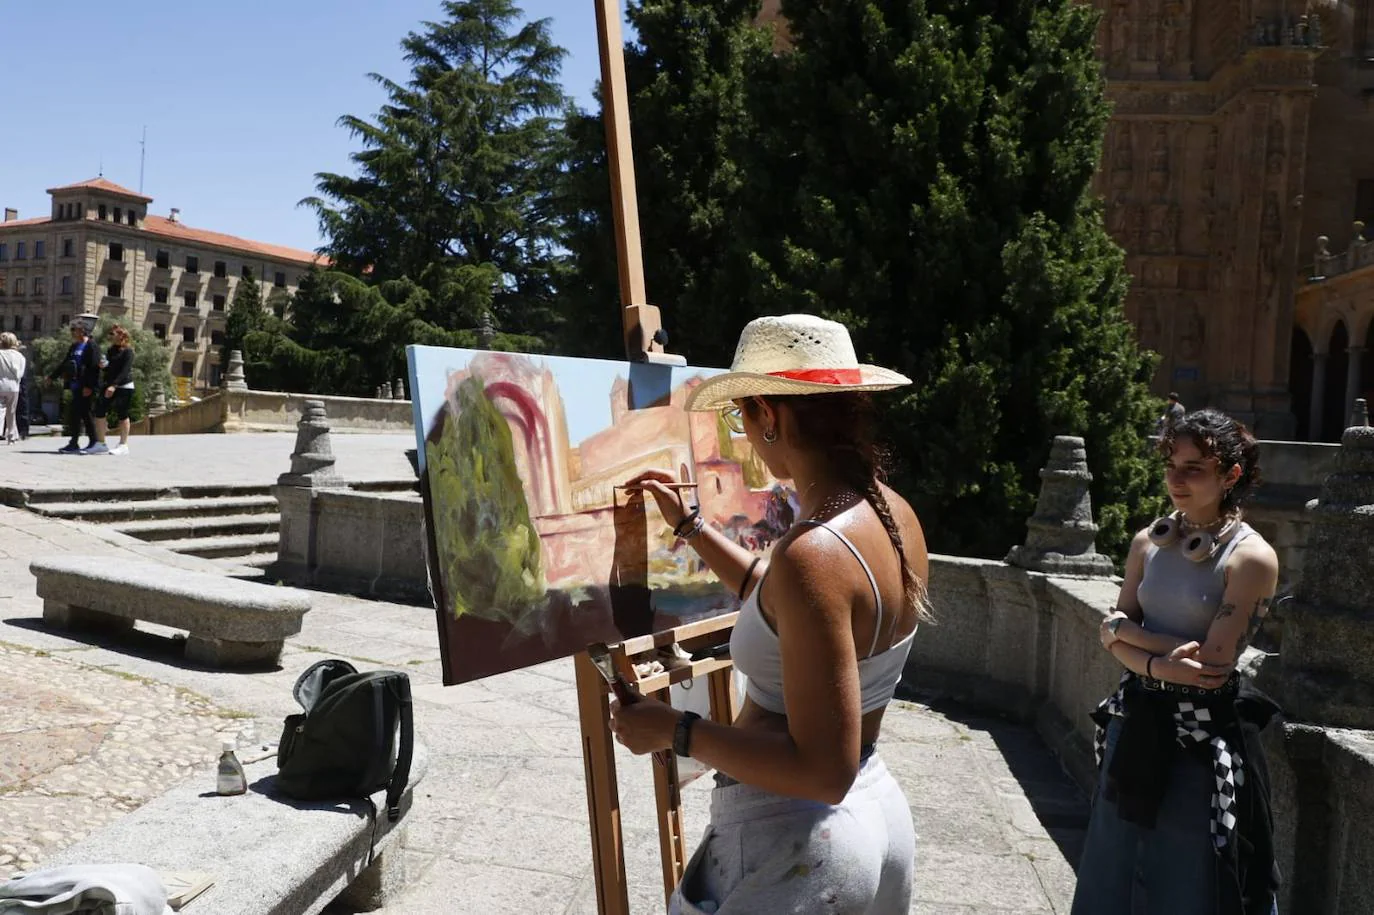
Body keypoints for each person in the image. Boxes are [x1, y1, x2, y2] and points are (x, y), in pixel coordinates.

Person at [610, 314, 931, 914]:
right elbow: (790, 605)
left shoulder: (814, 554)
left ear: (769, 415)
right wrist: (691, 528)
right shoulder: (891, 512)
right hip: (869, 810)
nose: (745, 435)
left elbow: (821, 771)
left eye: (741, 418)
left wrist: (675, 732)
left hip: (803, 838)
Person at [1072, 408, 1281, 915]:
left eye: (1194, 469)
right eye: (1171, 464)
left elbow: (1210, 668)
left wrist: (1129, 640)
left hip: (1201, 745)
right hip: (1136, 722)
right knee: (1111, 873)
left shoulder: (1251, 558)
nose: (1176, 479)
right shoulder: (1149, 541)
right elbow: (1111, 631)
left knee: (1182, 881)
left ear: (1231, 476)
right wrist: (1160, 666)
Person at [47, 321, 101, 454]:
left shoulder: (91, 346)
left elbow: (94, 368)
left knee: (85, 414)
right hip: (75, 385)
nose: (72, 332)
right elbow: (65, 363)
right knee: (76, 414)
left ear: (82, 331)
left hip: (86, 387)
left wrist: (89, 386)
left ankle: (93, 442)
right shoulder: (74, 346)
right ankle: (75, 443)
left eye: (74, 330)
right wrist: (52, 377)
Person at [89, 325, 135, 456]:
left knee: (122, 414)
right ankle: (101, 444)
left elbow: (124, 371)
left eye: (112, 333)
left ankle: (123, 445)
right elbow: (110, 369)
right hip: (109, 385)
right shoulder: (110, 350)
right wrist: (103, 366)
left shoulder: (128, 351)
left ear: (121, 336)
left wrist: (114, 385)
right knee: (99, 411)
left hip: (124, 386)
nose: (109, 336)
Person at [0, 332, 25, 444]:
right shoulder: (20, 356)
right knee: (11, 412)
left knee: (1, 409)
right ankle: (11, 435)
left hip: (1, 384)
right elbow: (20, 373)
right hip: (14, 387)